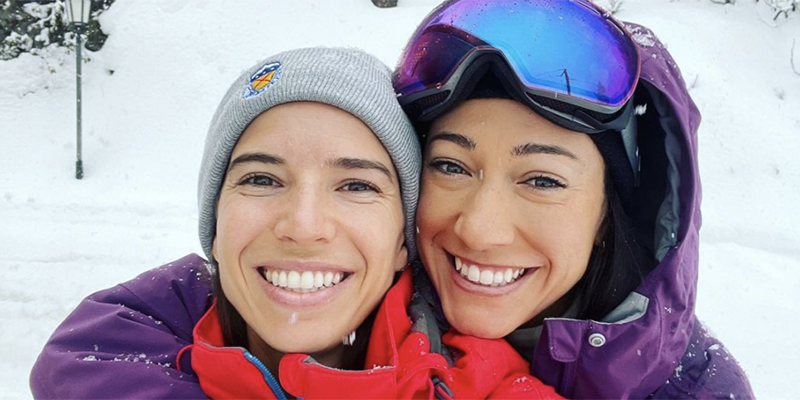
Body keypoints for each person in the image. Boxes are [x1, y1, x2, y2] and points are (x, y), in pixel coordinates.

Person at [30, 47, 561, 399]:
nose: (304, 227)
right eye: (261, 180)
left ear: (403, 243)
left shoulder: (486, 386)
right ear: (214, 223)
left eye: (356, 186)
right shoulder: (103, 370)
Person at [393, 0, 756, 399]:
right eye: (451, 167)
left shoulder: (700, 390)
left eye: (543, 181)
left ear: (605, 213)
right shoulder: (345, 323)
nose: (480, 231)